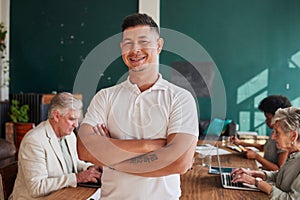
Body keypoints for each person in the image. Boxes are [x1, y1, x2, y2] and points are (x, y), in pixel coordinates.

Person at [77, 13, 199, 199]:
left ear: (158, 46)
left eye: (143, 42)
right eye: (128, 43)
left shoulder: (180, 98)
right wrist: (152, 145)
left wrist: (110, 157)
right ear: (121, 48)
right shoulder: (105, 97)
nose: (135, 50)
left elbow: (180, 162)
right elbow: (84, 149)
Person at [9, 92, 102, 199]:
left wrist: (91, 168)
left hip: (61, 195)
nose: (76, 125)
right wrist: (77, 178)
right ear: (57, 116)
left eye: (77, 120)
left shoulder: (69, 135)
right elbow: (36, 188)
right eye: (72, 119)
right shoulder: (34, 141)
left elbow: (73, 164)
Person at [230, 107, 300, 199]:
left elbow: (290, 198)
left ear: (293, 136)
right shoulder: (293, 155)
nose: (273, 137)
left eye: (277, 133)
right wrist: (252, 173)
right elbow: (279, 176)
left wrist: (256, 182)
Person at [230, 95, 290, 171]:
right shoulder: (275, 132)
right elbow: (263, 147)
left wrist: (256, 157)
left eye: (268, 118)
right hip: (264, 172)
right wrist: (240, 143)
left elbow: (278, 169)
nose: (266, 121)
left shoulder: (284, 138)